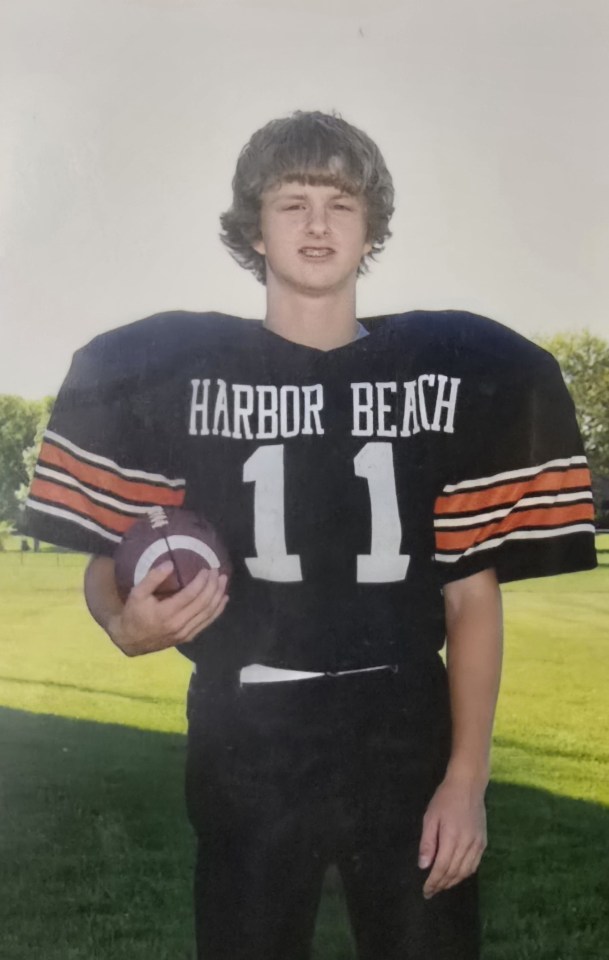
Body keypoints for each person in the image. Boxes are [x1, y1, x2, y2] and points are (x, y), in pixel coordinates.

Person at [22, 111, 597, 960]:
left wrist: (466, 781)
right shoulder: (174, 371)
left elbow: (470, 597)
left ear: (372, 230)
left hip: (400, 718)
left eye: (341, 201)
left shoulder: (448, 369)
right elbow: (120, 557)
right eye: (293, 202)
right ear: (254, 227)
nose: (318, 223)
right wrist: (120, 621)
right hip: (245, 724)